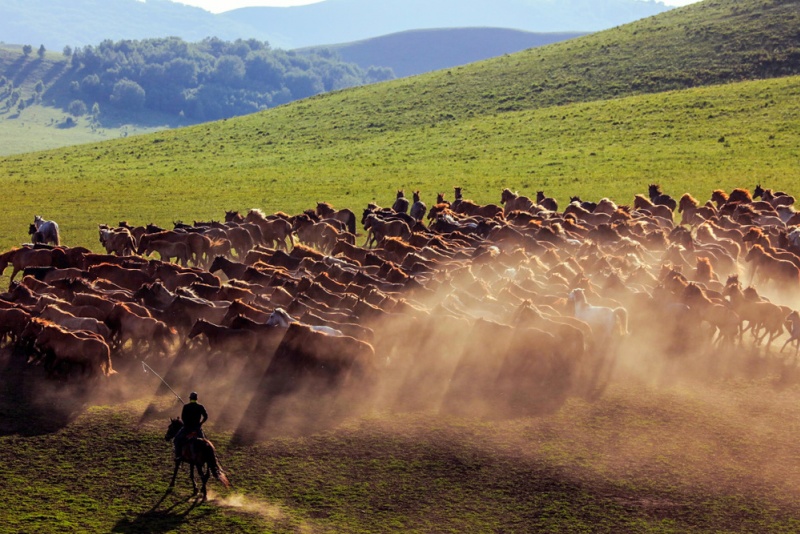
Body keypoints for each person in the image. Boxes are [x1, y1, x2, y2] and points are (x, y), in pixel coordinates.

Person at [173, 391, 208, 461]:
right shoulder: (200, 407)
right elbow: (206, 416)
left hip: (187, 428)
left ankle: (178, 456)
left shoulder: (186, 406)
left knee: (176, 440)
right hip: (197, 428)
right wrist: (201, 423)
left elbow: (183, 418)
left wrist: (187, 424)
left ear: (190, 398)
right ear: (196, 399)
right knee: (205, 443)